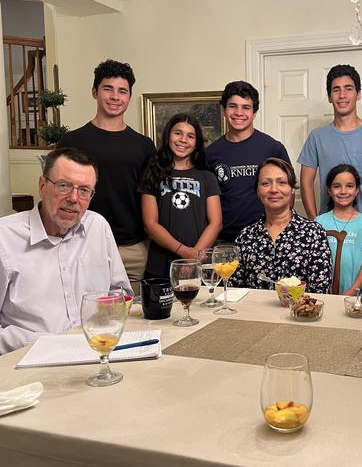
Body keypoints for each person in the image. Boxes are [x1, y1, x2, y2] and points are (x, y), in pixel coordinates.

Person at [0, 147, 130, 354]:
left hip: (96, 351)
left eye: (84, 190)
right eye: (64, 185)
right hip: (26, 362)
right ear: (42, 186)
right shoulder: (5, 238)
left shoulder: (98, 227)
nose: (74, 198)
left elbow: (120, 295)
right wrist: (34, 343)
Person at [58, 59, 155, 291]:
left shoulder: (143, 146)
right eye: (107, 89)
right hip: (80, 244)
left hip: (133, 249)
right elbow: (58, 193)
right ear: (94, 92)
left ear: (129, 97)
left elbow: (151, 200)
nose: (115, 97)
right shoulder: (71, 142)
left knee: (133, 320)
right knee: (83, 317)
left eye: (122, 91)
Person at [298, 64, 362, 225]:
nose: (342, 95)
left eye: (348, 88)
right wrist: (315, 224)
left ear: (358, 94)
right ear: (330, 97)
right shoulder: (317, 137)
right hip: (328, 230)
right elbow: (305, 183)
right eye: (336, 90)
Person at [205, 81, 291, 243]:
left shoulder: (273, 148)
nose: (239, 113)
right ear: (224, 110)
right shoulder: (210, 154)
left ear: (254, 112)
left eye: (246, 107)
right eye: (233, 106)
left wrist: (280, 229)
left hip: (266, 237)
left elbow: (288, 192)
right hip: (225, 240)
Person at [139, 114, 222, 279]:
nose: (183, 140)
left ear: (196, 143)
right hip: (160, 264)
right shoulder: (153, 173)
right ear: (168, 135)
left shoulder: (206, 176)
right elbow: (150, 224)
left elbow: (216, 223)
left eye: (190, 136)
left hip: (199, 263)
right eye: (178, 133)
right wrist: (184, 252)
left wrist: (194, 257)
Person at [231, 157, 332, 293]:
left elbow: (321, 289)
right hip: (253, 312)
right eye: (266, 183)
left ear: (291, 189)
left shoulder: (313, 233)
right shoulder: (246, 236)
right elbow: (234, 288)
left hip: (300, 312)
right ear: (258, 191)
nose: (274, 189)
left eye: (282, 182)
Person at [315, 164, 362, 295]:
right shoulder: (319, 222)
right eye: (337, 186)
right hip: (323, 294)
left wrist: (353, 290)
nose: (343, 191)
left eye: (349, 186)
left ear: (357, 190)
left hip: (357, 295)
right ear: (329, 190)